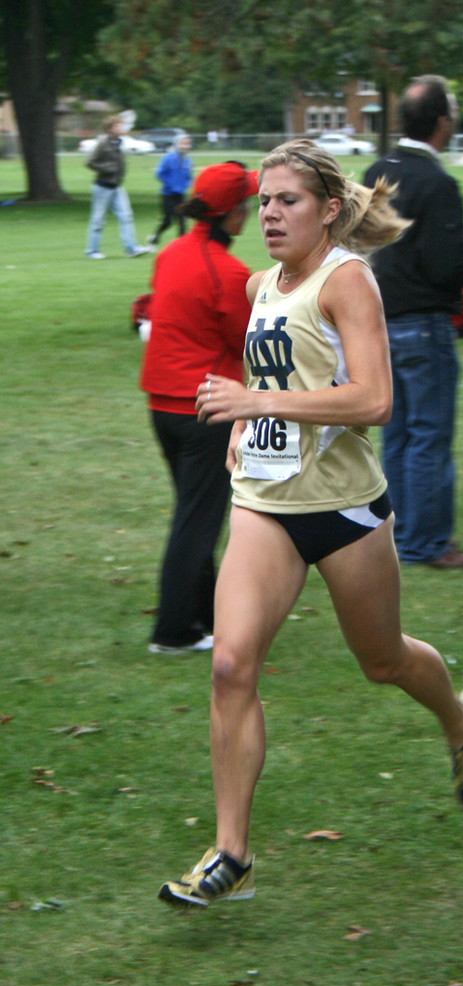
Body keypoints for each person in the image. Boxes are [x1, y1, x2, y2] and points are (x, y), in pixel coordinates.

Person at [158, 139, 463, 910]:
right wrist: (250, 414)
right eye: (265, 201)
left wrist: (259, 404)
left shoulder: (349, 282)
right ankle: (231, 854)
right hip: (267, 507)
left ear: (329, 211)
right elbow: (275, 369)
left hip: (342, 511)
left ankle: (458, 722)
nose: (269, 214)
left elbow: (374, 401)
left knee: (383, 662)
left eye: (287, 201)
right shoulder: (261, 283)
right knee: (230, 666)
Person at [363, 76, 463, 568]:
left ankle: (401, 533)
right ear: (441, 124)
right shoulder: (438, 184)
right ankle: (425, 542)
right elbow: (445, 269)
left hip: (379, 323)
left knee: (398, 437)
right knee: (428, 436)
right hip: (422, 323)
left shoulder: (377, 171)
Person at [140, 161, 259, 654]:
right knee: (199, 519)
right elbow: (245, 340)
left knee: (195, 513)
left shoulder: (171, 253)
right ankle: (174, 631)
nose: (255, 211)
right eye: (250, 204)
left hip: (163, 404)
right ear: (232, 215)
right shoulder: (230, 272)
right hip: (204, 408)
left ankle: (206, 617)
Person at [85, 116, 150, 259]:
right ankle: (92, 251)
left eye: (120, 125)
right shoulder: (103, 144)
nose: (120, 128)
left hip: (117, 186)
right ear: (109, 129)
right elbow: (90, 162)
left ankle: (131, 248)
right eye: (116, 126)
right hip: (102, 186)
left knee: (126, 216)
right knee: (98, 220)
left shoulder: (119, 143)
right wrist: (107, 168)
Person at [147, 135, 193, 248]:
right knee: (168, 220)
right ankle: (154, 238)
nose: (185, 146)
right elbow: (159, 173)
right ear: (177, 144)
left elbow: (189, 177)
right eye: (182, 143)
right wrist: (171, 184)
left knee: (182, 220)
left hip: (181, 194)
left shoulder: (188, 161)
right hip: (168, 194)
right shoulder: (168, 158)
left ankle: (183, 247)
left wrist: (187, 185)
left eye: (187, 144)